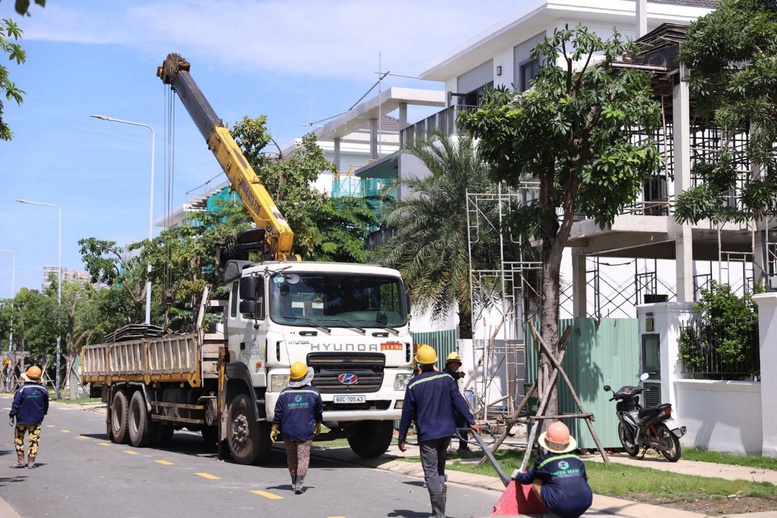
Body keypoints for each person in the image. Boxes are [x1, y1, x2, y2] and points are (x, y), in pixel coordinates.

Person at [398, 344, 482, 518]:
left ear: (419, 364)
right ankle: (439, 512)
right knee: (440, 468)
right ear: (435, 361)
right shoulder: (447, 379)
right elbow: (459, 400)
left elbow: (407, 413)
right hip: (446, 433)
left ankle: (438, 514)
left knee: (430, 471)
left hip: (428, 435)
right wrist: (471, 421)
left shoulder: (414, 384)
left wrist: (402, 436)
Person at [512, 421, 593, 518]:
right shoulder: (577, 459)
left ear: (547, 442)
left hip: (561, 505)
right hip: (585, 501)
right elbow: (584, 480)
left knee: (537, 481)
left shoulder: (543, 462)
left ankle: (554, 515)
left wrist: (518, 475)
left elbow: (527, 479)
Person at [272, 361, 323, 494]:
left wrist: (273, 429)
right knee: (303, 457)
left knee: (292, 457)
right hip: (305, 431)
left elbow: (278, 413)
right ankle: (299, 484)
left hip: (288, 432)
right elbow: (318, 412)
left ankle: (294, 482)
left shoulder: (284, 394)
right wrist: (318, 424)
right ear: (307, 376)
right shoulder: (314, 393)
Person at [9, 366, 49, 469]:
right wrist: (42, 415)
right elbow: (46, 405)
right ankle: (31, 463)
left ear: (27, 376)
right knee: (34, 440)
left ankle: (21, 461)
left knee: (19, 438)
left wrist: (12, 415)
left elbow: (16, 403)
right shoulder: (43, 390)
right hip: (36, 420)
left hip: (22, 420)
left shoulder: (22, 389)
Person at [442, 352, 471, 453]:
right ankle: (463, 447)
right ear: (448, 364)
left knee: (457, 425)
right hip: (450, 405)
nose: (455, 365)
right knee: (462, 424)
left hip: (451, 404)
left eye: (457, 363)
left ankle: (447, 449)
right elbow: (450, 375)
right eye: (452, 363)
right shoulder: (447, 374)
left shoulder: (450, 375)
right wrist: (458, 375)